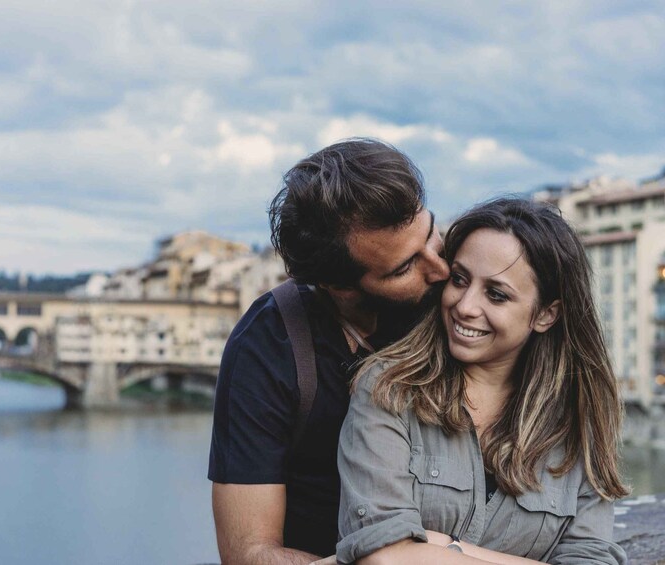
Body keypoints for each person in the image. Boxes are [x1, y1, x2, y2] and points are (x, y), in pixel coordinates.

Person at [337, 197, 630, 564]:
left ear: (545, 314)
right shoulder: (389, 390)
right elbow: (384, 558)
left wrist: (449, 548)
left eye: (496, 294)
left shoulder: (576, 424)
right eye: (459, 280)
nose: (465, 306)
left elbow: (593, 557)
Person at [208, 138, 450, 564]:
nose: (441, 269)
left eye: (433, 234)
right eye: (406, 267)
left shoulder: (458, 303)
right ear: (339, 287)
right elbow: (248, 555)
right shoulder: (267, 344)